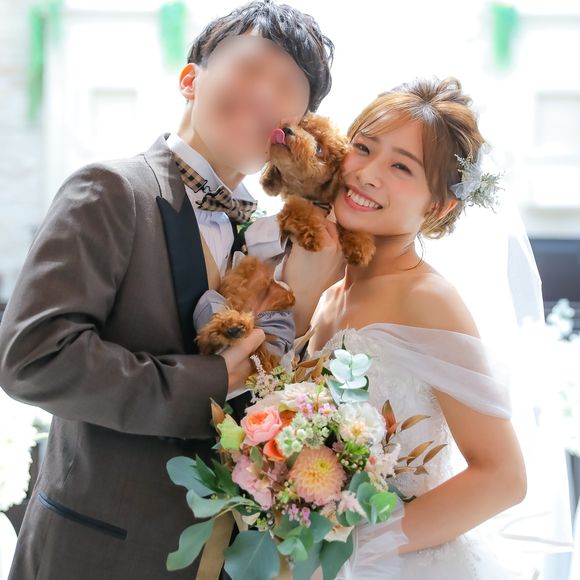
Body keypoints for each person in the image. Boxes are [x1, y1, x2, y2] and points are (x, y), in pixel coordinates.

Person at [0, 2, 344, 579]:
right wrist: (209, 382)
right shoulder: (111, 190)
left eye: (288, 87)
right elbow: (33, 358)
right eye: (251, 68)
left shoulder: (267, 236)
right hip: (99, 554)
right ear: (190, 80)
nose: (265, 93)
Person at [307, 76, 535, 578]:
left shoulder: (427, 298)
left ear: (437, 205)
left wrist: (357, 549)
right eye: (363, 148)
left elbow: (504, 477)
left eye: (401, 167)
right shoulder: (327, 293)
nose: (367, 173)